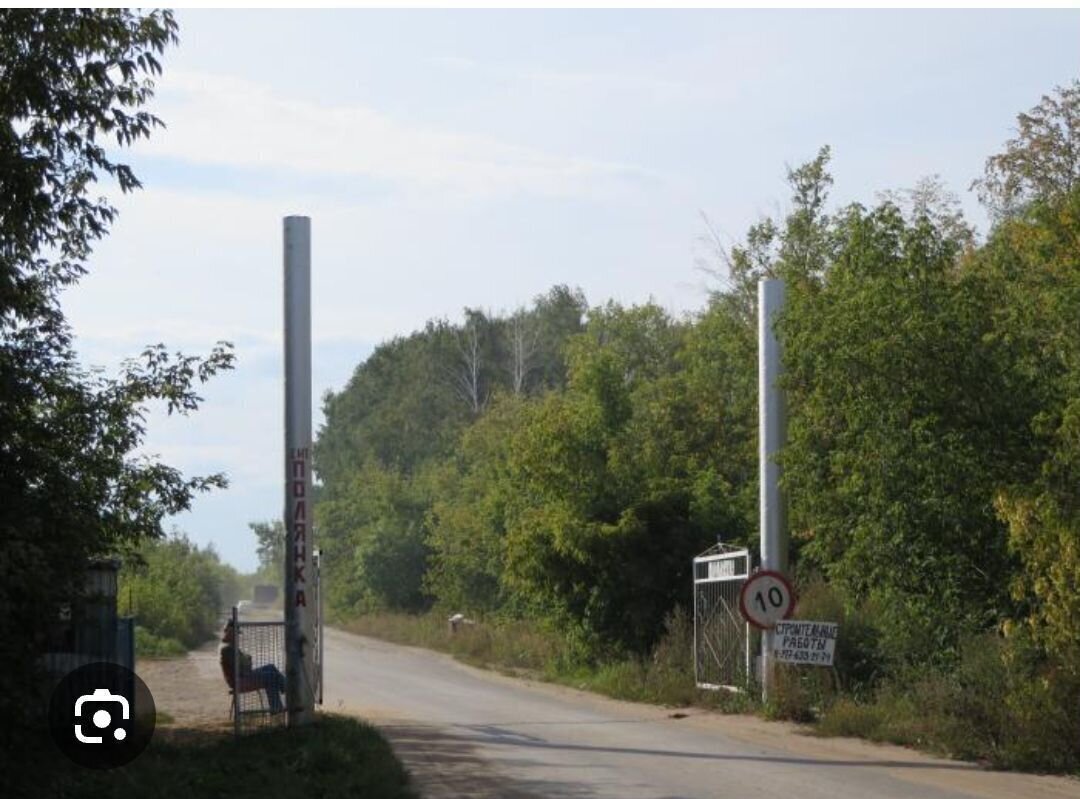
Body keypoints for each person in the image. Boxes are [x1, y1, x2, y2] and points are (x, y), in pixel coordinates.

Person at [220, 619, 286, 713]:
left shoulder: (232, 648)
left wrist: (246, 662)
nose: (237, 636)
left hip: (244, 676)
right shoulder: (227, 649)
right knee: (271, 676)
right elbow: (241, 669)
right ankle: (277, 707)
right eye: (235, 634)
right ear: (229, 633)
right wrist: (247, 662)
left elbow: (245, 666)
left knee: (270, 667)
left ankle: (286, 688)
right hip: (239, 680)